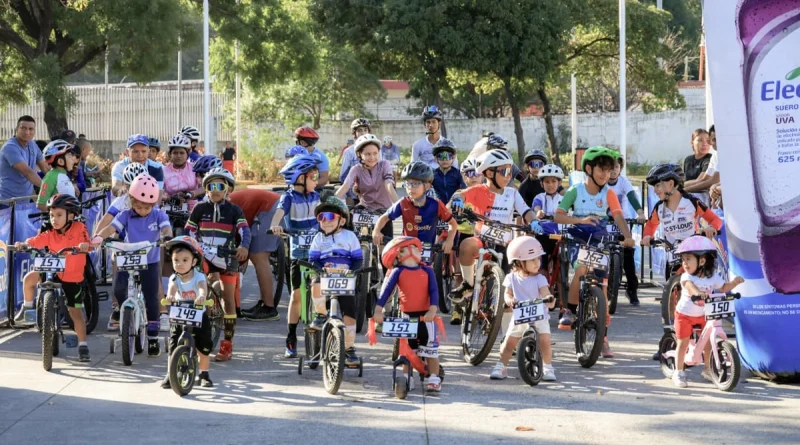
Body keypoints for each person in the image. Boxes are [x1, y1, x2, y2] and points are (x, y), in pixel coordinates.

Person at [553, 147, 636, 358]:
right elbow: (559, 216)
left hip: (599, 242)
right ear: (589, 168)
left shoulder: (609, 193)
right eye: (601, 169)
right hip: (577, 240)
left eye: (609, 171)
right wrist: (579, 221)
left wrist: (627, 236)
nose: (605, 175)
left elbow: (618, 216)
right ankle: (570, 311)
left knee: (604, 289)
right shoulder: (575, 191)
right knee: (581, 269)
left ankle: (603, 338)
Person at [92, 174, 172, 356]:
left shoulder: (158, 214)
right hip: (126, 258)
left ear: (153, 205)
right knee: (119, 289)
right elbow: (111, 228)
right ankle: (125, 314)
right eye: (138, 205)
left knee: (151, 297)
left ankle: (152, 337)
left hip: (149, 260)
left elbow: (166, 228)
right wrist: (99, 237)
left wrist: (167, 236)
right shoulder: (125, 215)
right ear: (131, 201)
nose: (142, 210)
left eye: (146, 207)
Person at [449, 149, 536, 303]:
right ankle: (468, 284)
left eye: (510, 171)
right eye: (504, 171)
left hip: (505, 244)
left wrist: (534, 221)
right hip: (482, 241)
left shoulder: (512, 193)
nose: (509, 176)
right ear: (489, 173)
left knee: (509, 292)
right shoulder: (478, 190)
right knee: (466, 245)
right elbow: (459, 194)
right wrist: (457, 200)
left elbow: (526, 211)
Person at [14, 195, 93, 361]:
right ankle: (28, 309)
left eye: (58, 215)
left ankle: (83, 345)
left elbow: (87, 240)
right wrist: (25, 243)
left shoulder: (79, 228)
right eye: (51, 215)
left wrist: (85, 245)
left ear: (70, 215)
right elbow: (37, 240)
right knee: (29, 279)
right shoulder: (50, 232)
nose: (54, 219)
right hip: (53, 268)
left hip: (72, 274)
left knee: (75, 312)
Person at [185, 168, 250, 362]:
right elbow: (189, 230)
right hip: (204, 256)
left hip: (227, 256)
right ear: (205, 189)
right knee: (196, 292)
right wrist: (191, 246)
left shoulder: (234, 210)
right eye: (210, 186)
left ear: (227, 189)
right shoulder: (199, 208)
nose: (215, 190)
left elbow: (245, 230)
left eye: (219, 186)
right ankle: (197, 335)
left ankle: (227, 344)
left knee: (228, 299)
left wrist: (244, 246)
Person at [670, 236, 744, 388]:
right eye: (683, 259)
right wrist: (698, 292)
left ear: (702, 261)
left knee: (708, 342)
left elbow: (723, 288)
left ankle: (707, 369)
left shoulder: (712, 277)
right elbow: (689, 287)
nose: (684, 263)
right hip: (684, 315)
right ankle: (679, 372)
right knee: (683, 342)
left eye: (688, 259)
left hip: (704, 313)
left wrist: (734, 284)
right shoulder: (687, 276)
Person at [374, 236, 442, 392]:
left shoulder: (427, 270)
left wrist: (432, 309)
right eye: (407, 249)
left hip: (426, 316)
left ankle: (434, 377)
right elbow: (387, 291)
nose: (414, 251)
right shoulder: (398, 271)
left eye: (416, 249)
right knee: (407, 349)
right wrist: (378, 309)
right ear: (398, 255)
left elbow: (434, 291)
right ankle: (407, 376)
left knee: (431, 347)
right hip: (407, 317)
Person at [270, 154, 322, 358]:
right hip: (298, 252)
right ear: (299, 178)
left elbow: (325, 213)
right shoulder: (289, 197)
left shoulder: (316, 195)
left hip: (317, 251)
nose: (316, 179)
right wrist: (275, 225)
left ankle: (321, 323)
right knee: (296, 296)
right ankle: (291, 338)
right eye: (313, 176)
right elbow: (279, 212)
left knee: (321, 291)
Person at [489, 236, 557, 381]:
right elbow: (507, 294)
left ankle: (548, 367)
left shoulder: (540, 278)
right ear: (519, 262)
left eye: (538, 259)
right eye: (532, 260)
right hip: (520, 316)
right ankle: (501, 366)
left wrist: (549, 299)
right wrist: (509, 300)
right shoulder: (511, 278)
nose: (537, 263)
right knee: (508, 343)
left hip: (539, 316)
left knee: (544, 340)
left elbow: (545, 292)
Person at [307, 194, 364, 365]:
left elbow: (358, 259)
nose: (325, 221)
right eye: (321, 217)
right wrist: (320, 268)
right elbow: (313, 259)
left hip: (345, 279)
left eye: (330, 216)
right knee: (315, 282)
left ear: (342, 220)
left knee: (350, 313)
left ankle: (348, 348)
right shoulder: (318, 238)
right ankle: (320, 314)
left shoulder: (350, 237)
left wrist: (353, 271)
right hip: (325, 275)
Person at [162, 236, 214, 389]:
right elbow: (172, 288)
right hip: (180, 314)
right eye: (176, 260)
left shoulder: (198, 276)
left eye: (185, 260)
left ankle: (204, 374)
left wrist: (202, 296)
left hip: (198, 313)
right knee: (173, 344)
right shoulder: (174, 277)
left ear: (194, 262)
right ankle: (170, 373)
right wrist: (170, 296)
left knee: (203, 346)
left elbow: (202, 287)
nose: (180, 264)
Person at [372, 161, 457, 254]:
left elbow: (452, 223)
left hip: (428, 252)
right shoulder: (403, 203)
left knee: (430, 269)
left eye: (416, 184)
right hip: (406, 250)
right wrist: (376, 231)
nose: (411, 188)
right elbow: (384, 218)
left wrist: (449, 240)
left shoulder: (436, 204)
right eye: (408, 183)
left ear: (427, 185)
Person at [230, 188, 282, 321]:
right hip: (267, 205)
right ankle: (264, 302)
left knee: (259, 257)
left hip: (268, 207)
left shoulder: (217, 210)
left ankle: (269, 308)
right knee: (255, 254)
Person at [335, 134, 399, 235]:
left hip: (383, 210)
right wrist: (330, 201)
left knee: (385, 245)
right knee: (350, 227)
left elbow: (389, 185)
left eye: (375, 153)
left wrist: (399, 204)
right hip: (365, 208)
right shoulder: (356, 169)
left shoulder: (385, 165)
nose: (372, 157)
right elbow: (345, 186)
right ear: (359, 154)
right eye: (368, 154)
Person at [606, 155, 646, 305]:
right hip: (607, 222)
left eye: (616, 167)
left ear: (620, 169)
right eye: (610, 168)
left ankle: (632, 290)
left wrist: (640, 213)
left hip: (623, 221)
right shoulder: (602, 183)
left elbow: (632, 197)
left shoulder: (623, 182)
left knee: (628, 256)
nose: (613, 171)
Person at [0, 116, 49, 202]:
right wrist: (48, 188)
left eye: (31, 129)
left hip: (24, 200)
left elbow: (45, 167)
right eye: (23, 128)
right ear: (17, 129)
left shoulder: (32, 144)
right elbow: (28, 173)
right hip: (7, 202)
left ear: (34, 131)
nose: (27, 132)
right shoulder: (10, 147)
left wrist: (61, 182)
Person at [531, 164, 565, 269]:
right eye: (547, 182)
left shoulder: (564, 199)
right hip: (544, 234)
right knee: (542, 267)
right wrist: (539, 212)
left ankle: (561, 284)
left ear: (559, 183)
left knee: (561, 269)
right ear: (542, 184)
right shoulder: (539, 197)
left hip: (560, 235)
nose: (550, 185)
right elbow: (536, 206)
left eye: (554, 181)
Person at [412, 105, 458, 170]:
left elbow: (455, 167)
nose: (431, 125)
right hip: (425, 177)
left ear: (439, 124)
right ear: (425, 125)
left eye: (433, 122)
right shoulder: (417, 145)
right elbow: (413, 166)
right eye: (428, 122)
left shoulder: (449, 145)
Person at [37, 140, 79, 211]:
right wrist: (57, 215)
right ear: (60, 161)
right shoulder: (51, 176)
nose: (73, 159)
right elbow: (41, 204)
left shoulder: (64, 175)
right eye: (70, 156)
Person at [163, 134, 203, 206]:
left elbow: (204, 188)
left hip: (193, 209)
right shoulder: (163, 170)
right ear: (170, 154)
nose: (178, 156)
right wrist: (169, 198)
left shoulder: (195, 168)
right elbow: (158, 192)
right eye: (175, 153)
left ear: (187, 154)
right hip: (169, 208)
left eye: (182, 153)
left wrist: (192, 194)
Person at [681, 129, 717, 205]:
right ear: (692, 142)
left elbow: (701, 180)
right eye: (700, 140)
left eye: (707, 140)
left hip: (704, 198)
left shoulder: (710, 158)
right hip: (686, 196)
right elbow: (684, 180)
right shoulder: (688, 160)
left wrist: (680, 187)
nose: (704, 144)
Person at [339, 118, 372, 195]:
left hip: (373, 194)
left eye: (365, 130)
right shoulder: (349, 151)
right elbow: (343, 176)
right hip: (354, 194)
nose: (363, 133)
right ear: (354, 133)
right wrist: (349, 197)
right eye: (359, 130)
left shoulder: (377, 150)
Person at [431, 138, 466, 205]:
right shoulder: (432, 174)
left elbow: (464, 189)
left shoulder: (458, 173)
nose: (445, 160)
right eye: (441, 156)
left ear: (453, 157)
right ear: (436, 159)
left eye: (448, 156)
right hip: (438, 208)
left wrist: (459, 198)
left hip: (455, 206)